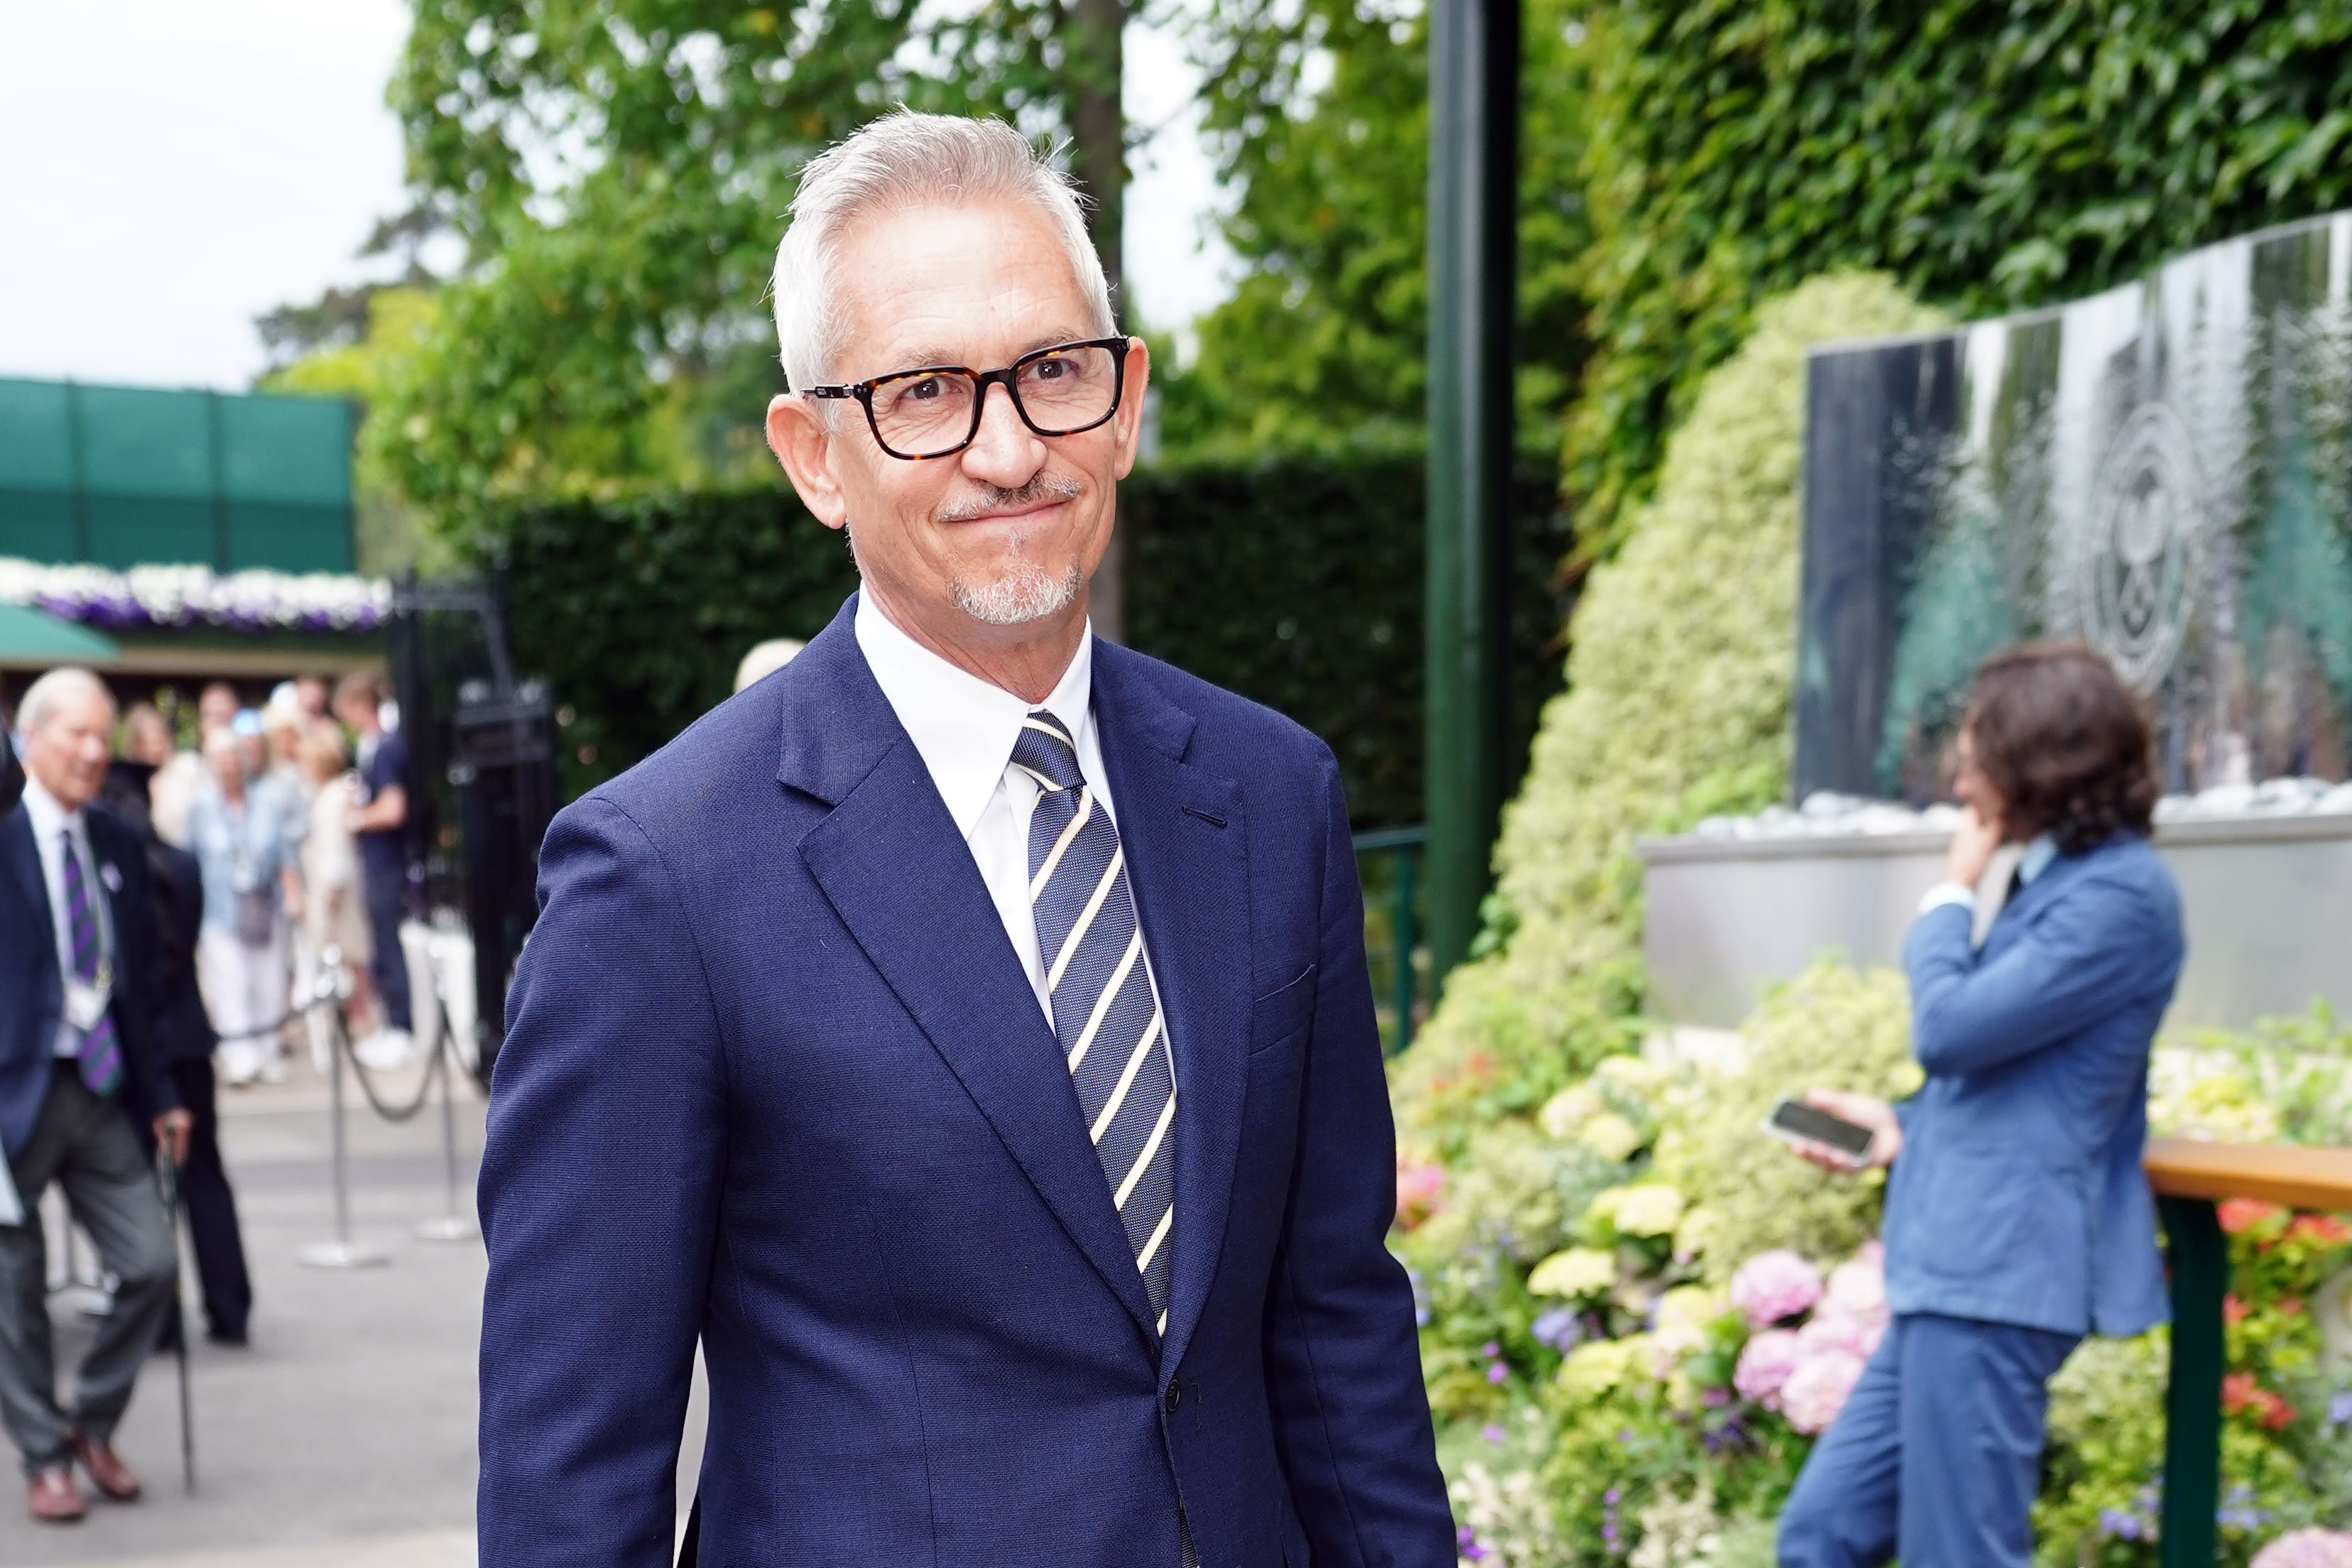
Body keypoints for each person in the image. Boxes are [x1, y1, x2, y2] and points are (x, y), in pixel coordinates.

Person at [477, 111, 1453, 1567]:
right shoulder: (661, 877)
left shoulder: (1267, 790)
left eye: (1052, 372)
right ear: (815, 455)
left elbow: (1334, 1323)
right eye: (926, 391)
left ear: (1123, 401)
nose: (1009, 449)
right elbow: (571, 1479)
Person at [1774, 643, 2185, 1568]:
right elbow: (2017, 1080)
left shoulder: (2121, 897)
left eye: (1975, 752)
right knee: (1821, 1534)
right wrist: (1898, 1128)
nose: (1960, 779)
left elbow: (1951, 1029)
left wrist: (1950, 892)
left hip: (1997, 1277)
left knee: (1958, 1556)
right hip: (1952, 1273)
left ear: (2040, 760)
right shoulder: (2066, 883)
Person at [0, 668, 190, 1523]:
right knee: (14, 1281)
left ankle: (91, 1422)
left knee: (150, 1261)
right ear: (30, 737)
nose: (91, 751)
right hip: (13, 1090)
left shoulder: (115, 838)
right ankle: (43, 1456)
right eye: (74, 733)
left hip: (101, 1084)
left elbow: (140, 986)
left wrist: (163, 1095)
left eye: (100, 735)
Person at [187, 729, 298, 1086]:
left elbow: (285, 855)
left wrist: (294, 893)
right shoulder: (201, 808)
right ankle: (239, 1057)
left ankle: (267, 1051)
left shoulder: (266, 804)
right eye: (221, 760)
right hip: (220, 907)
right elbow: (189, 858)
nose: (229, 766)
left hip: (263, 906)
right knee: (230, 981)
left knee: (267, 980)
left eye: (233, 758)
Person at [334, 673, 412, 1055]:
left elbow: (394, 808)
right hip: (380, 861)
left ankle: (401, 1028)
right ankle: (395, 1025)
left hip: (386, 862)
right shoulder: (376, 747)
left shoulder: (383, 749)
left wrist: (356, 819)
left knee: (387, 942)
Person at [297, 728, 376, 1055]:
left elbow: (335, 851)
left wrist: (330, 896)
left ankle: (362, 1027)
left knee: (349, 960)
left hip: (335, 896)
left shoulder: (331, 798)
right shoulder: (334, 794)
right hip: (337, 891)